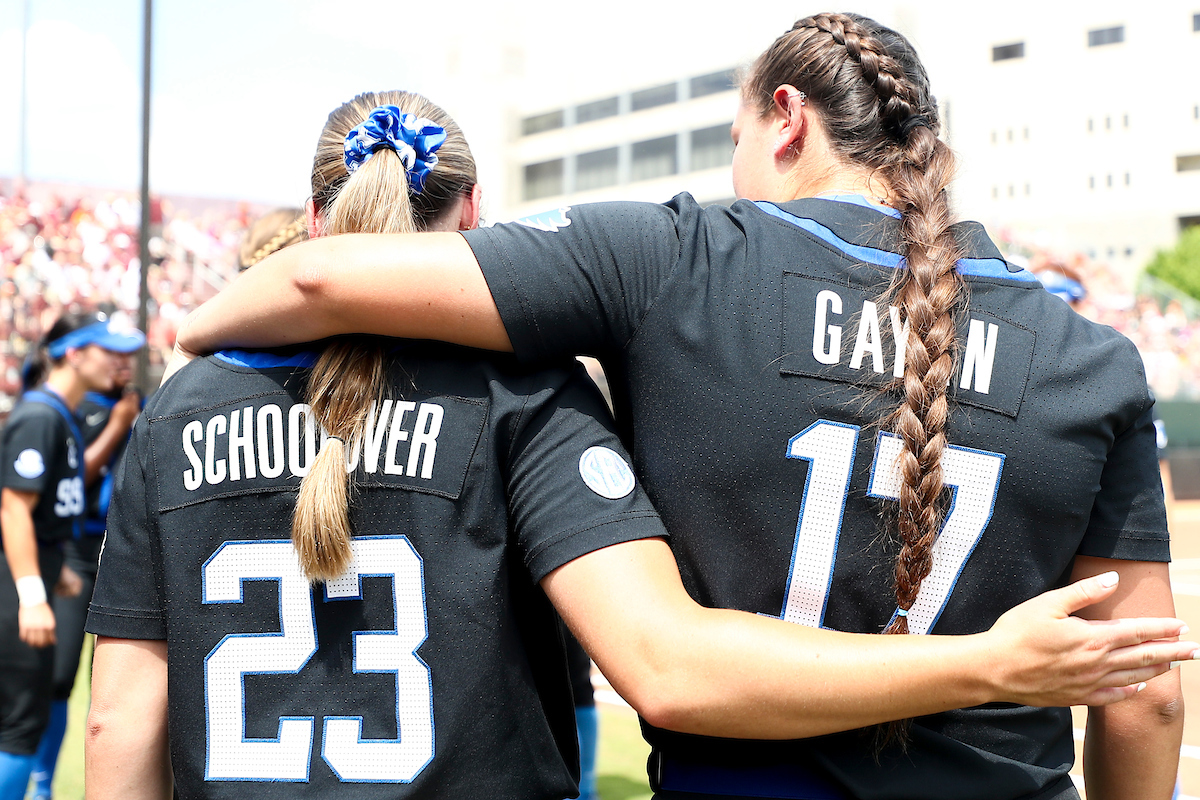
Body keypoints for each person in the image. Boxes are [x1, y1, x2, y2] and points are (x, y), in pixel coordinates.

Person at [173, 28, 1187, 796]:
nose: (733, 166)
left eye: (737, 135)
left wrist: (195, 337)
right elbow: (1146, 691)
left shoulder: (680, 259)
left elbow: (320, 285)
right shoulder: (1093, 359)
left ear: (786, 117)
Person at [0, 312, 142, 800]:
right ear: (74, 354)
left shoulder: (57, 414)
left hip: (49, 568)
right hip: (22, 586)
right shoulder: (41, 414)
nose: (123, 363)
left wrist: (54, 575)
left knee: (29, 712)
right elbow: (14, 509)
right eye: (110, 351)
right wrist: (33, 595)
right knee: (21, 720)